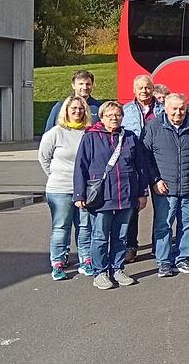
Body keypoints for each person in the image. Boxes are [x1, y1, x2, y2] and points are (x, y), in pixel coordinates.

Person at [72, 101, 149, 290]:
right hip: (102, 196)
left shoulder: (129, 137)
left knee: (121, 236)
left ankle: (117, 268)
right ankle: (99, 272)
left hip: (126, 194)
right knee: (100, 236)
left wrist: (142, 192)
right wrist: (79, 194)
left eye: (118, 115)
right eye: (110, 115)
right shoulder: (91, 137)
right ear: (102, 117)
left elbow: (140, 166)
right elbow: (80, 166)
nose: (114, 118)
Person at [142, 93, 189, 277]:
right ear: (165, 108)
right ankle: (164, 262)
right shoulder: (152, 127)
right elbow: (145, 157)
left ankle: (183, 258)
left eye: (182, 109)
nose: (178, 113)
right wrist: (155, 180)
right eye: (174, 109)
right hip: (165, 187)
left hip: (188, 185)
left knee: (188, 224)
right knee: (163, 225)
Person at [39, 96, 94, 280]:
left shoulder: (90, 132)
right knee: (61, 227)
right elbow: (44, 158)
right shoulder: (55, 133)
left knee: (85, 226)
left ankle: (86, 261)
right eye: (74, 109)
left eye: (81, 109)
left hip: (84, 189)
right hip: (60, 189)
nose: (77, 112)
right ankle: (58, 263)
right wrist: (56, 175)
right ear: (66, 111)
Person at [120, 74, 164, 264]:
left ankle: (159, 246)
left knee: (163, 208)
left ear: (152, 89)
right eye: (140, 88)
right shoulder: (125, 110)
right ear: (134, 90)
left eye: (147, 87)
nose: (144, 91)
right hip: (135, 166)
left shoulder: (164, 109)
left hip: (159, 164)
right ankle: (131, 246)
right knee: (133, 209)